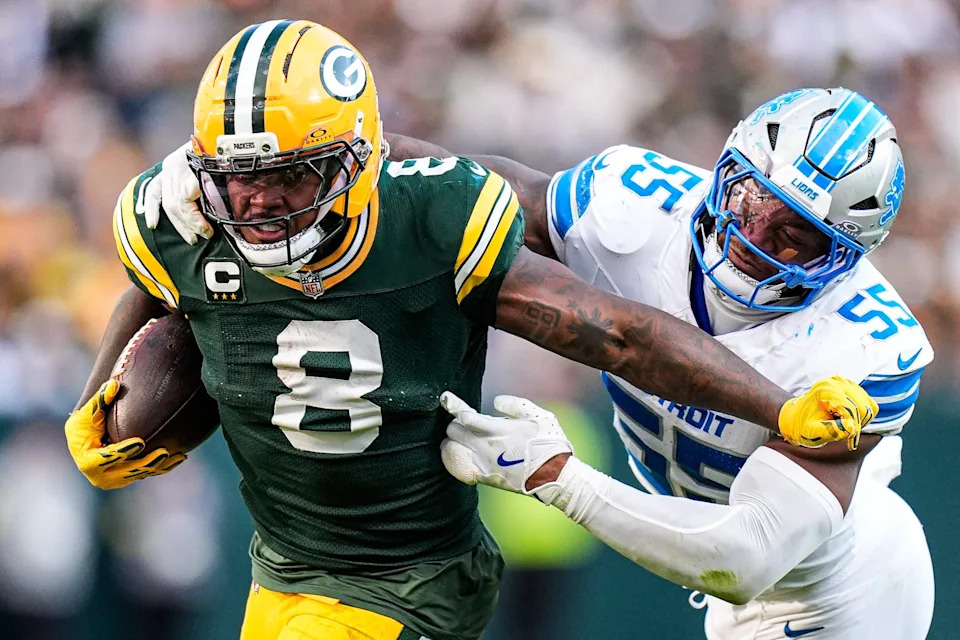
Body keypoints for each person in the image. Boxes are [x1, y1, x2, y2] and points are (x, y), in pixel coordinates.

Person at [79, 21, 875, 640]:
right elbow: (151, 283)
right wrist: (98, 401)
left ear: (357, 159)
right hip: (283, 566)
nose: (257, 203)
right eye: (237, 176)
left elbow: (619, 335)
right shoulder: (172, 215)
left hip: (411, 573)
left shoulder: (431, 218)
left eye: (288, 174)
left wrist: (778, 408)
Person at [400, 88, 932, 639]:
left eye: (792, 233)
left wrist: (559, 478)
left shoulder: (867, 351)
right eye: (750, 198)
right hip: (731, 583)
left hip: (834, 597)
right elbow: (469, 198)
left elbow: (747, 554)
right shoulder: (631, 203)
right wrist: (366, 159)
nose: (751, 237)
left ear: (841, 256)